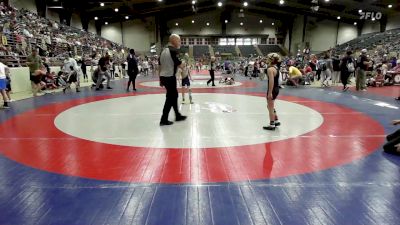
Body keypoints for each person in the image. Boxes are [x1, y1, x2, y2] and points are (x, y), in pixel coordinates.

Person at [158, 34, 187, 126]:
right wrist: (185, 61)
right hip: (170, 77)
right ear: (173, 40)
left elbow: (159, 66)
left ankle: (177, 115)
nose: (180, 42)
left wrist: (160, 79)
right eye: (179, 40)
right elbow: (180, 65)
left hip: (164, 76)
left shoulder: (163, 51)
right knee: (170, 97)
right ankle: (164, 119)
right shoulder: (173, 51)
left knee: (173, 95)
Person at [263, 53, 281, 131]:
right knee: (269, 106)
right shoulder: (276, 68)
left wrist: (269, 92)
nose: (266, 59)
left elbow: (271, 81)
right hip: (276, 89)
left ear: (271, 60)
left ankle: (272, 124)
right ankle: (276, 120)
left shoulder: (270, 69)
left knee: (270, 107)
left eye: (267, 58)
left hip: (272, 89)